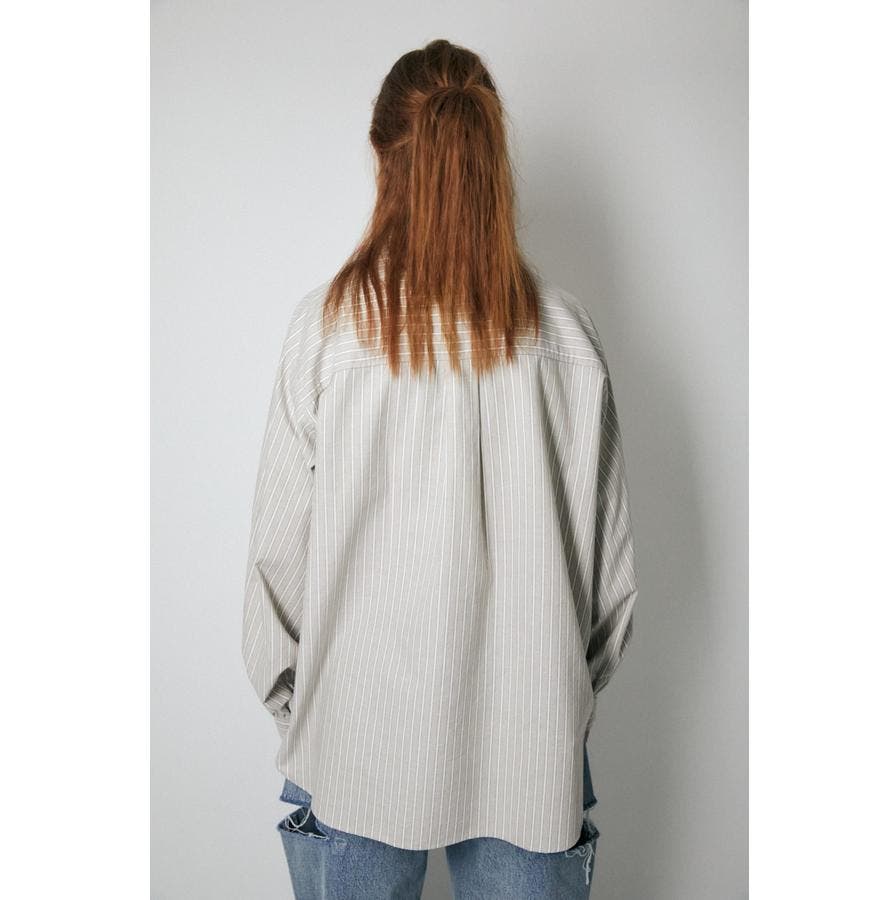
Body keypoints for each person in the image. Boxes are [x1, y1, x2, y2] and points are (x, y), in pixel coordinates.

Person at [241, 38, 638, 900]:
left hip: (352, 744)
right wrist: (546, 700)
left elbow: (277, 568)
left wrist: (305, 712)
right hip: (529, 751)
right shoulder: (567, 339)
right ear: (492, 152)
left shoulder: (326, 331)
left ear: (383, 155)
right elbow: (609, 593)